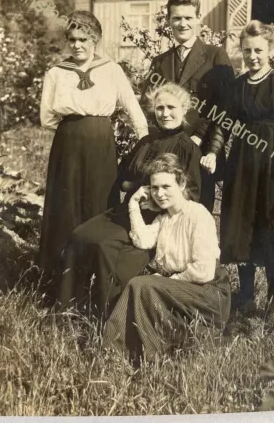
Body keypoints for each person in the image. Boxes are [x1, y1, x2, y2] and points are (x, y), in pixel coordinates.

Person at [58, 82, 207, 316]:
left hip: (155, 219)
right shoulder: (146, 142)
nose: (165, 114)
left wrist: (152, 197)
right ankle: (69, 307)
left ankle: (108, 315)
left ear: (184, 109)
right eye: (159, 108)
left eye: (171, 108)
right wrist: (133, 189)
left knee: (105, 246)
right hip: (127, 209)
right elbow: (123, 177)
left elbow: (192, 196)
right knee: (80, 235)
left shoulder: (189, 149)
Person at [39, 10, 148, 287]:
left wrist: (144, 140)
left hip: (100, 144)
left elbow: (132, 107)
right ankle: (60, 277)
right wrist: (73, 128)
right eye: (72, 39)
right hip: (68, 144)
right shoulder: (56, 73)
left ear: (95, 40)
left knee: (99, 201)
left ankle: (96, 275)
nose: (77, 45)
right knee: (66, 205)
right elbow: (47, 117)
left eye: (83, 39)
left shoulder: (111, 70)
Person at [102, 153, 231, 362]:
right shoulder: (163, 219)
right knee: (140, 285)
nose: (159, 194)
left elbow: (203, 271)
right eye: (154, 188)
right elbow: (143, 241)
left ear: (181, 184)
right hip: (183, 288)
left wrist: (167, 281)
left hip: (208, 292)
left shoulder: (197, 215)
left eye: (166, 187)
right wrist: (134, 204)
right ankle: (117, 350)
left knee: (143, 285)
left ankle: (134, 353)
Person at [220, 20, 274, 316]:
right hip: (242, 164)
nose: (252, 56)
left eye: (258, 50)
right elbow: (224, 124)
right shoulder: (238, 86)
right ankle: (246, 296)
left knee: (273, 225)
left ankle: (273, 301)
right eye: (247, 51)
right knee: (243, 226)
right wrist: (213, 154)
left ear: (270, 49)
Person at [141, 0, 234, 212]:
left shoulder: (215, 56)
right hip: (167, 152)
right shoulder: (159, 62)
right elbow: (148, 107)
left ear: (198, 19)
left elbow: (226, 109)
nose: (183, 24)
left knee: (198, 216)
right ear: (169, 21)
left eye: (188, 18)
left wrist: (208, 146)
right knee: (163, 216)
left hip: (201, 152)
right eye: (176, 18)